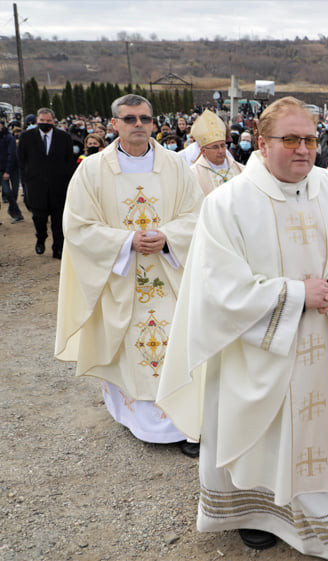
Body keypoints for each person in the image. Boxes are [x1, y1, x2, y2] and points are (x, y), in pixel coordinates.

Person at [156, 97, 328, 559]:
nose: (304, 149)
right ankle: (255, 511)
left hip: (324, 343)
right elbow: (219, 288)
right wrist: (297, 295)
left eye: (310, 139)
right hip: (258, 351)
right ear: (262, 144)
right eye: (291, 139)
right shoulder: (228, 203)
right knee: (261, 437)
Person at [55, 94, 203, 456]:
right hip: (120, 278)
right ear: (114, 124)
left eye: (145, 118)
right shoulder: (91, 170)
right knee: (130, 346)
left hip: (170, 276)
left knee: (175, 344)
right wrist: (125, 242)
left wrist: (168, 237)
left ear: (153, 123)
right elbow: (77, 226)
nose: (139, 124)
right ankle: (140, 420)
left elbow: (198, 216)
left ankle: (183, 423)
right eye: (130, 118)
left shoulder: (176, 166)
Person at [17, 108, 75, 258]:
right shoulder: (26, 137)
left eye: (48, 121)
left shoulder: (64, 137)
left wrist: (68, 182)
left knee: (58, 221)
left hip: (59, 187)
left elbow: (69, 161)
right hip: (36, 187)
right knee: (39, 219)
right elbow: (22, 161)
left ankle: (58, 248)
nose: (45, 123)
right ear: (37, 120)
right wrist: (26, 181)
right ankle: (41, 238)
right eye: (42, 120)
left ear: (54, 121)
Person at [189, 110, 245, 196]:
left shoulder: (240, 169)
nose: (221, 151)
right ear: (203, 151)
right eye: (215, 147)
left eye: (223, 145)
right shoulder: (193, 174)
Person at [0, 119, 24, 223]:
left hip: (13, 168)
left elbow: (12, 155)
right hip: (1, 169)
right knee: (7, 192)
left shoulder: (9, 138)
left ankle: (12, 210)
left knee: (14, 192)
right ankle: (17, 214)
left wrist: (8, 171)